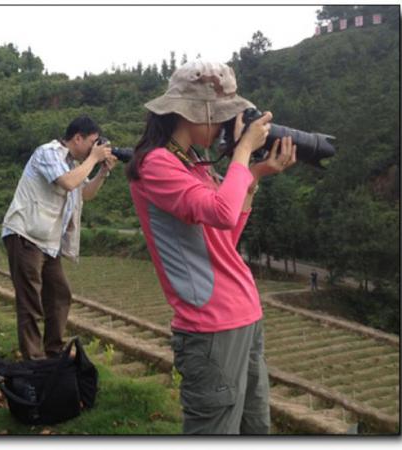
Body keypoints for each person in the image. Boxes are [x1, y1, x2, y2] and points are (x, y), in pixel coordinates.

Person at [126, 61, 297, 434]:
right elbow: (221, 212)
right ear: (193, 113)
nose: (225, 125)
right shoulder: (157, 165)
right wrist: (243, 151)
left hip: (245, 317)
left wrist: (254, 174)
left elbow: (225, 238)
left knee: (256, 428)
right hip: (210, 328)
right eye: (219, 116)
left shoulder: (195, 165)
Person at [1, 116, 117, 360]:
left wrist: (102, 172)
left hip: (48, 243)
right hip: (25, 235)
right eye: (93, 142)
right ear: (77, 138)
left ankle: (54, 352)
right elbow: (67, 183)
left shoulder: (72, 164)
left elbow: (85, 192)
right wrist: (94, 159)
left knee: (59, 294)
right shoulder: (48, 152)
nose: (94, 149)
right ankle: (35, 360)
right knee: (30, 300)